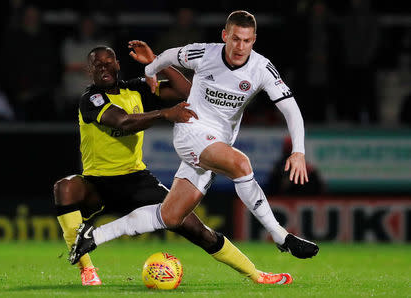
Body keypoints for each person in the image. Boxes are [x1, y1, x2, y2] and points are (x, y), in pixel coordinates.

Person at [70, 10, 319, 279]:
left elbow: (291, 109)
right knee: (241, 164)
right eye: (235, 39)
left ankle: (95, 235)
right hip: (191, 130)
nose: (240, 46)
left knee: (170, 216)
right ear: (225, 36)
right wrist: (151, 70)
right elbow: (168, 55)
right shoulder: (204, 53)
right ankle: (279, 235)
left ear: (254, 40)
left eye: (247, 41)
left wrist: (298, 151)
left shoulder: (262, 68)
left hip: (216, 142)